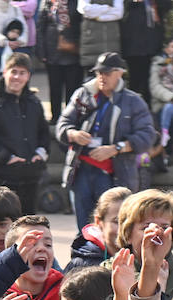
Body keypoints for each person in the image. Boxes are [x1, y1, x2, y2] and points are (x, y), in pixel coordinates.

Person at [56, 52, 155, 232]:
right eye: (99, 72)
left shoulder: (133, 101)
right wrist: (73, 133)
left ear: (120, 73)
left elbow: (147, 136)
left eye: (107, 73)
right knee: (84, 229)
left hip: (114, 173)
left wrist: (116, 148)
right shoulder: (82, 95)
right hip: (81, 169)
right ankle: (85, 258)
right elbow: (62, 125)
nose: (102, 77)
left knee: (113, 228)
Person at [0, 53, 51, 217]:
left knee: (29, 225)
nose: (17, 77)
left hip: (31, 175)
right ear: (5, 72)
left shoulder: (34, 103)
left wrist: (40, 153)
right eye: (14, 71)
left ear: (28, 76)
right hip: (3, 176)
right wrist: (6, 157)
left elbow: (44, 133)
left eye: (22, 73)